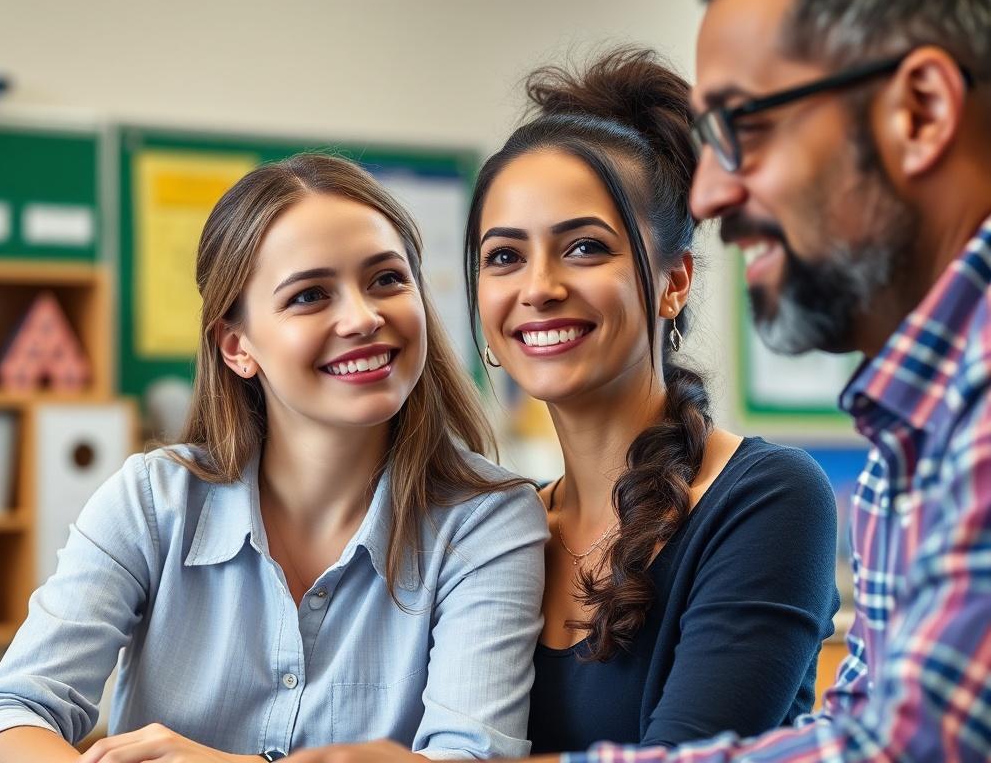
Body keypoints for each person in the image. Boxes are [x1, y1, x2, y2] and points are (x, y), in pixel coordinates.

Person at [281, 48, 841, 763]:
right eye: (505, 257)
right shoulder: (497, 531)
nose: (538, 287)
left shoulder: (765, 499)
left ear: (673, 283)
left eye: (583, 247)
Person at [496, 0, 991, 760]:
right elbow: (856, 730)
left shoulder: (951, 414)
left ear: (922, 112)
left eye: (745, 129)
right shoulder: (910, 434)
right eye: (502, 256)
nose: (713, 194)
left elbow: (916, 747)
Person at [0, 154, 548, 763]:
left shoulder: (489, 520)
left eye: (387, 280)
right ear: (237, 346)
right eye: (309, 295)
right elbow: (6, 709)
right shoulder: (153, 500)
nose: (363, 317)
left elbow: (472, 758)